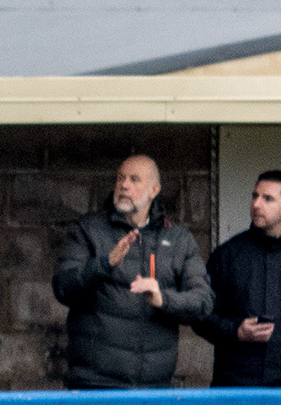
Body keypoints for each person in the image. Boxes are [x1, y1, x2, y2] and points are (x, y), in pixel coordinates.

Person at [50, 153, 214, 388]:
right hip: (97, 384)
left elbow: (203, 302)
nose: (124, 185)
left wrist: (163, 299)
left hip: (154, 386)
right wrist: (105, 264)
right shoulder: (88, 230)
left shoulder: (179, 239)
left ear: (154, 190)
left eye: (134, 179)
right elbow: (63, 287)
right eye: (121, 178)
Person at [199, 171, 281, 390]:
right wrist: (235, 330)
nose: (257, 204)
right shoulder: (228, 255)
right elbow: (201, 315)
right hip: (236, 385)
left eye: (268, 199)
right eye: (255, 196)